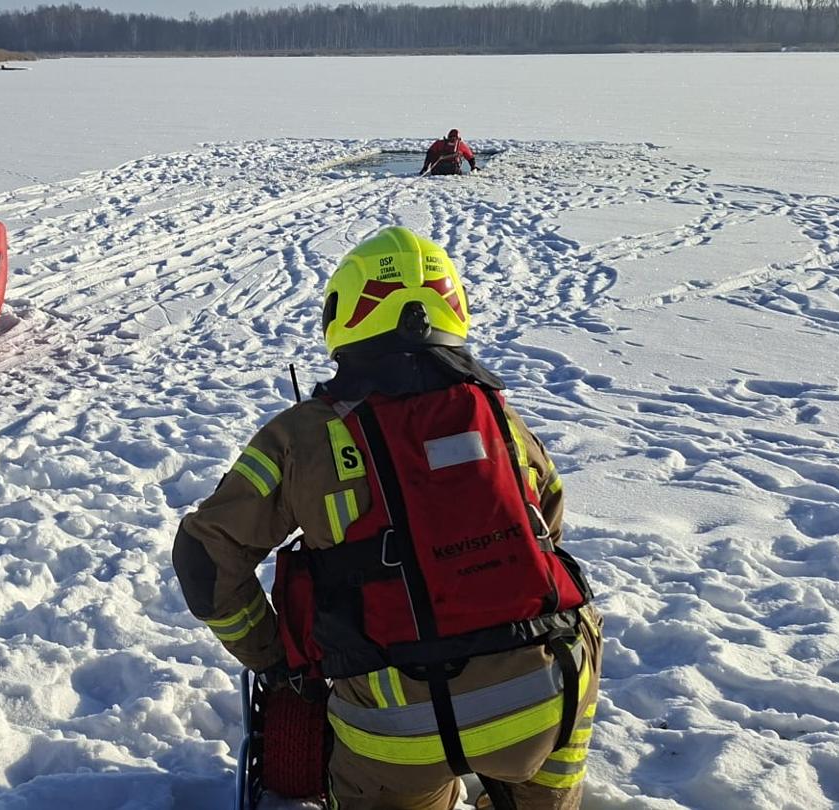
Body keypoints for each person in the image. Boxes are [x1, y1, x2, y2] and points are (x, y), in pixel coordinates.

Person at [172, 226, 600, 810]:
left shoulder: (302, 435)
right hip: (547, 693)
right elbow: (546, 528)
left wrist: (274, 659)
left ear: (344, 314)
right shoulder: (499, 416)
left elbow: (204, 556)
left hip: (396, 728)